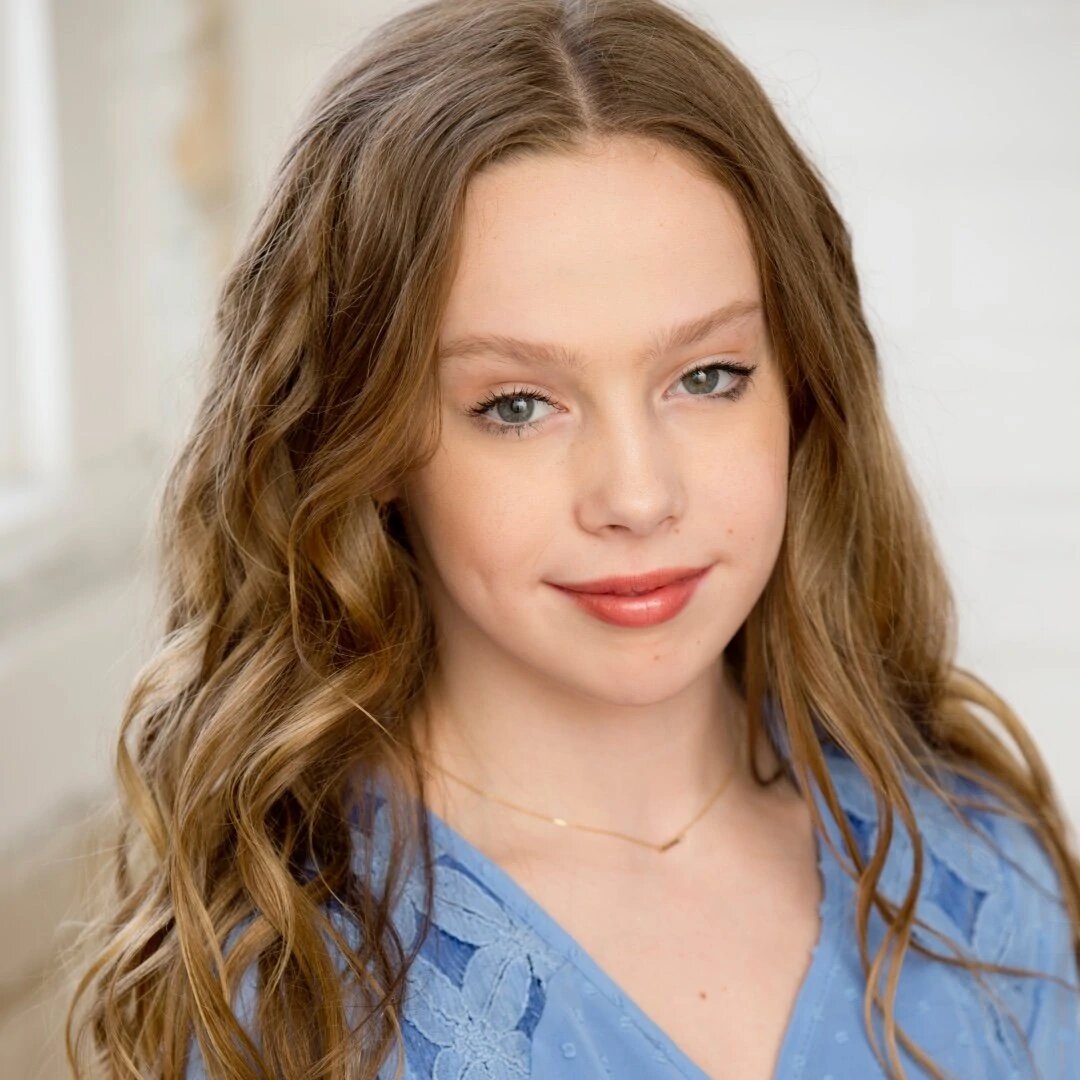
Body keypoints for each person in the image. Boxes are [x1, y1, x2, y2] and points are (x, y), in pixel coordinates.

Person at [66, 0, 1079, 1077]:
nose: (637, 496)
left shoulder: (971, 880)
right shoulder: (294, 981)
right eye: (516, 405)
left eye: (707, 377)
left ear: (802, 390)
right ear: (367, 439)